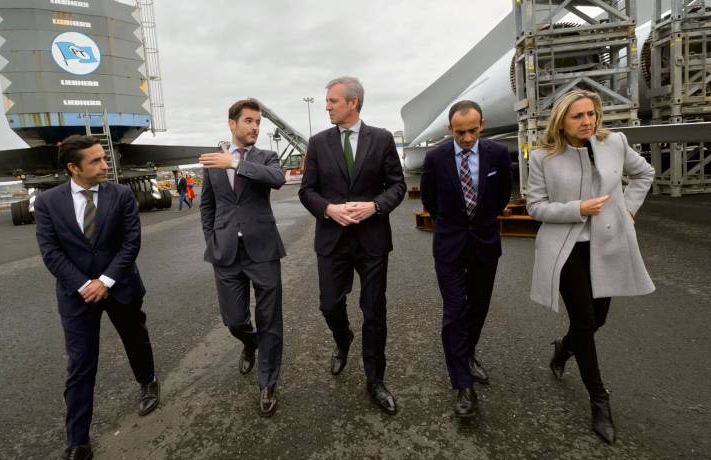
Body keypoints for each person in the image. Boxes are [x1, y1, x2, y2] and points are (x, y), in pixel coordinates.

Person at [526, 89, 655, 444]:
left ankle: (563, 348)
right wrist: (577, 209)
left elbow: (644, 174)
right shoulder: (542, 157)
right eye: (577, 116)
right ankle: (599, 400)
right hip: (565, 249)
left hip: (608, 243)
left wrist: (627, 210)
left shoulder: (615, 143)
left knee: (597, 320)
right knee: (584, 320)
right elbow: (535, 207)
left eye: (591, 114)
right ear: (561, 122)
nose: (587, 122)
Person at [34, 135, 159, 460]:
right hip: (77, 296)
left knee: (135, 338)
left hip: (119, 286)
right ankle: (77, 446)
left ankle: (148, 381)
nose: (105, 166)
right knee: (80, 365)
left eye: (104, 158)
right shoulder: (47, 203)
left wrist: (105, 280)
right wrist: (85, 285)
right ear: (73, 168)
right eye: (96, 161)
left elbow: (131, 242)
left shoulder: (120, 195)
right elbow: (51, 252)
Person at [299, 76, 406, 414]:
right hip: (332, 240)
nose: (327, 106)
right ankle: (343, 338)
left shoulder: (383, 139)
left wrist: (374, 206)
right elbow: (307, 191)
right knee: (329, 305)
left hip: (372, 240)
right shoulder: (317, 143)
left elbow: (397, 186)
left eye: (332, 101)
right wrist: (328, 209)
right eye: (327, 101)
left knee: (374, 310)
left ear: (353, 103)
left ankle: (375, 379)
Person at [419, 100, 512, 419]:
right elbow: (430, 200)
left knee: (478, 307)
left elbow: (502, 196)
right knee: (456, 310)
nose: (468, 138)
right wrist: (454, 224)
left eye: (473, 131)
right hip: (450, 246)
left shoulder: (498, 154)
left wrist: (481, 221)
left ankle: (468, 354)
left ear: (482, 125)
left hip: (485, 243)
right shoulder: (436, 158)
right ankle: (463, 385)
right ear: (450, 130)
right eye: (461, 133)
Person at [198, 99, 286, 417]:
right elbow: (208, 206)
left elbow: (276, 179)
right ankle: (250, 343)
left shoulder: (266, 157)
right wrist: (212, 238)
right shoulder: (213, 161)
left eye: (257, 122)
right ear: (232, 123)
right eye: (248, 121)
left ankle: (268, 383)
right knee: (234, 320)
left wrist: (234, 163)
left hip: (262, 249)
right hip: (226, 251)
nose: (254, 127)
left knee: (270, 319)